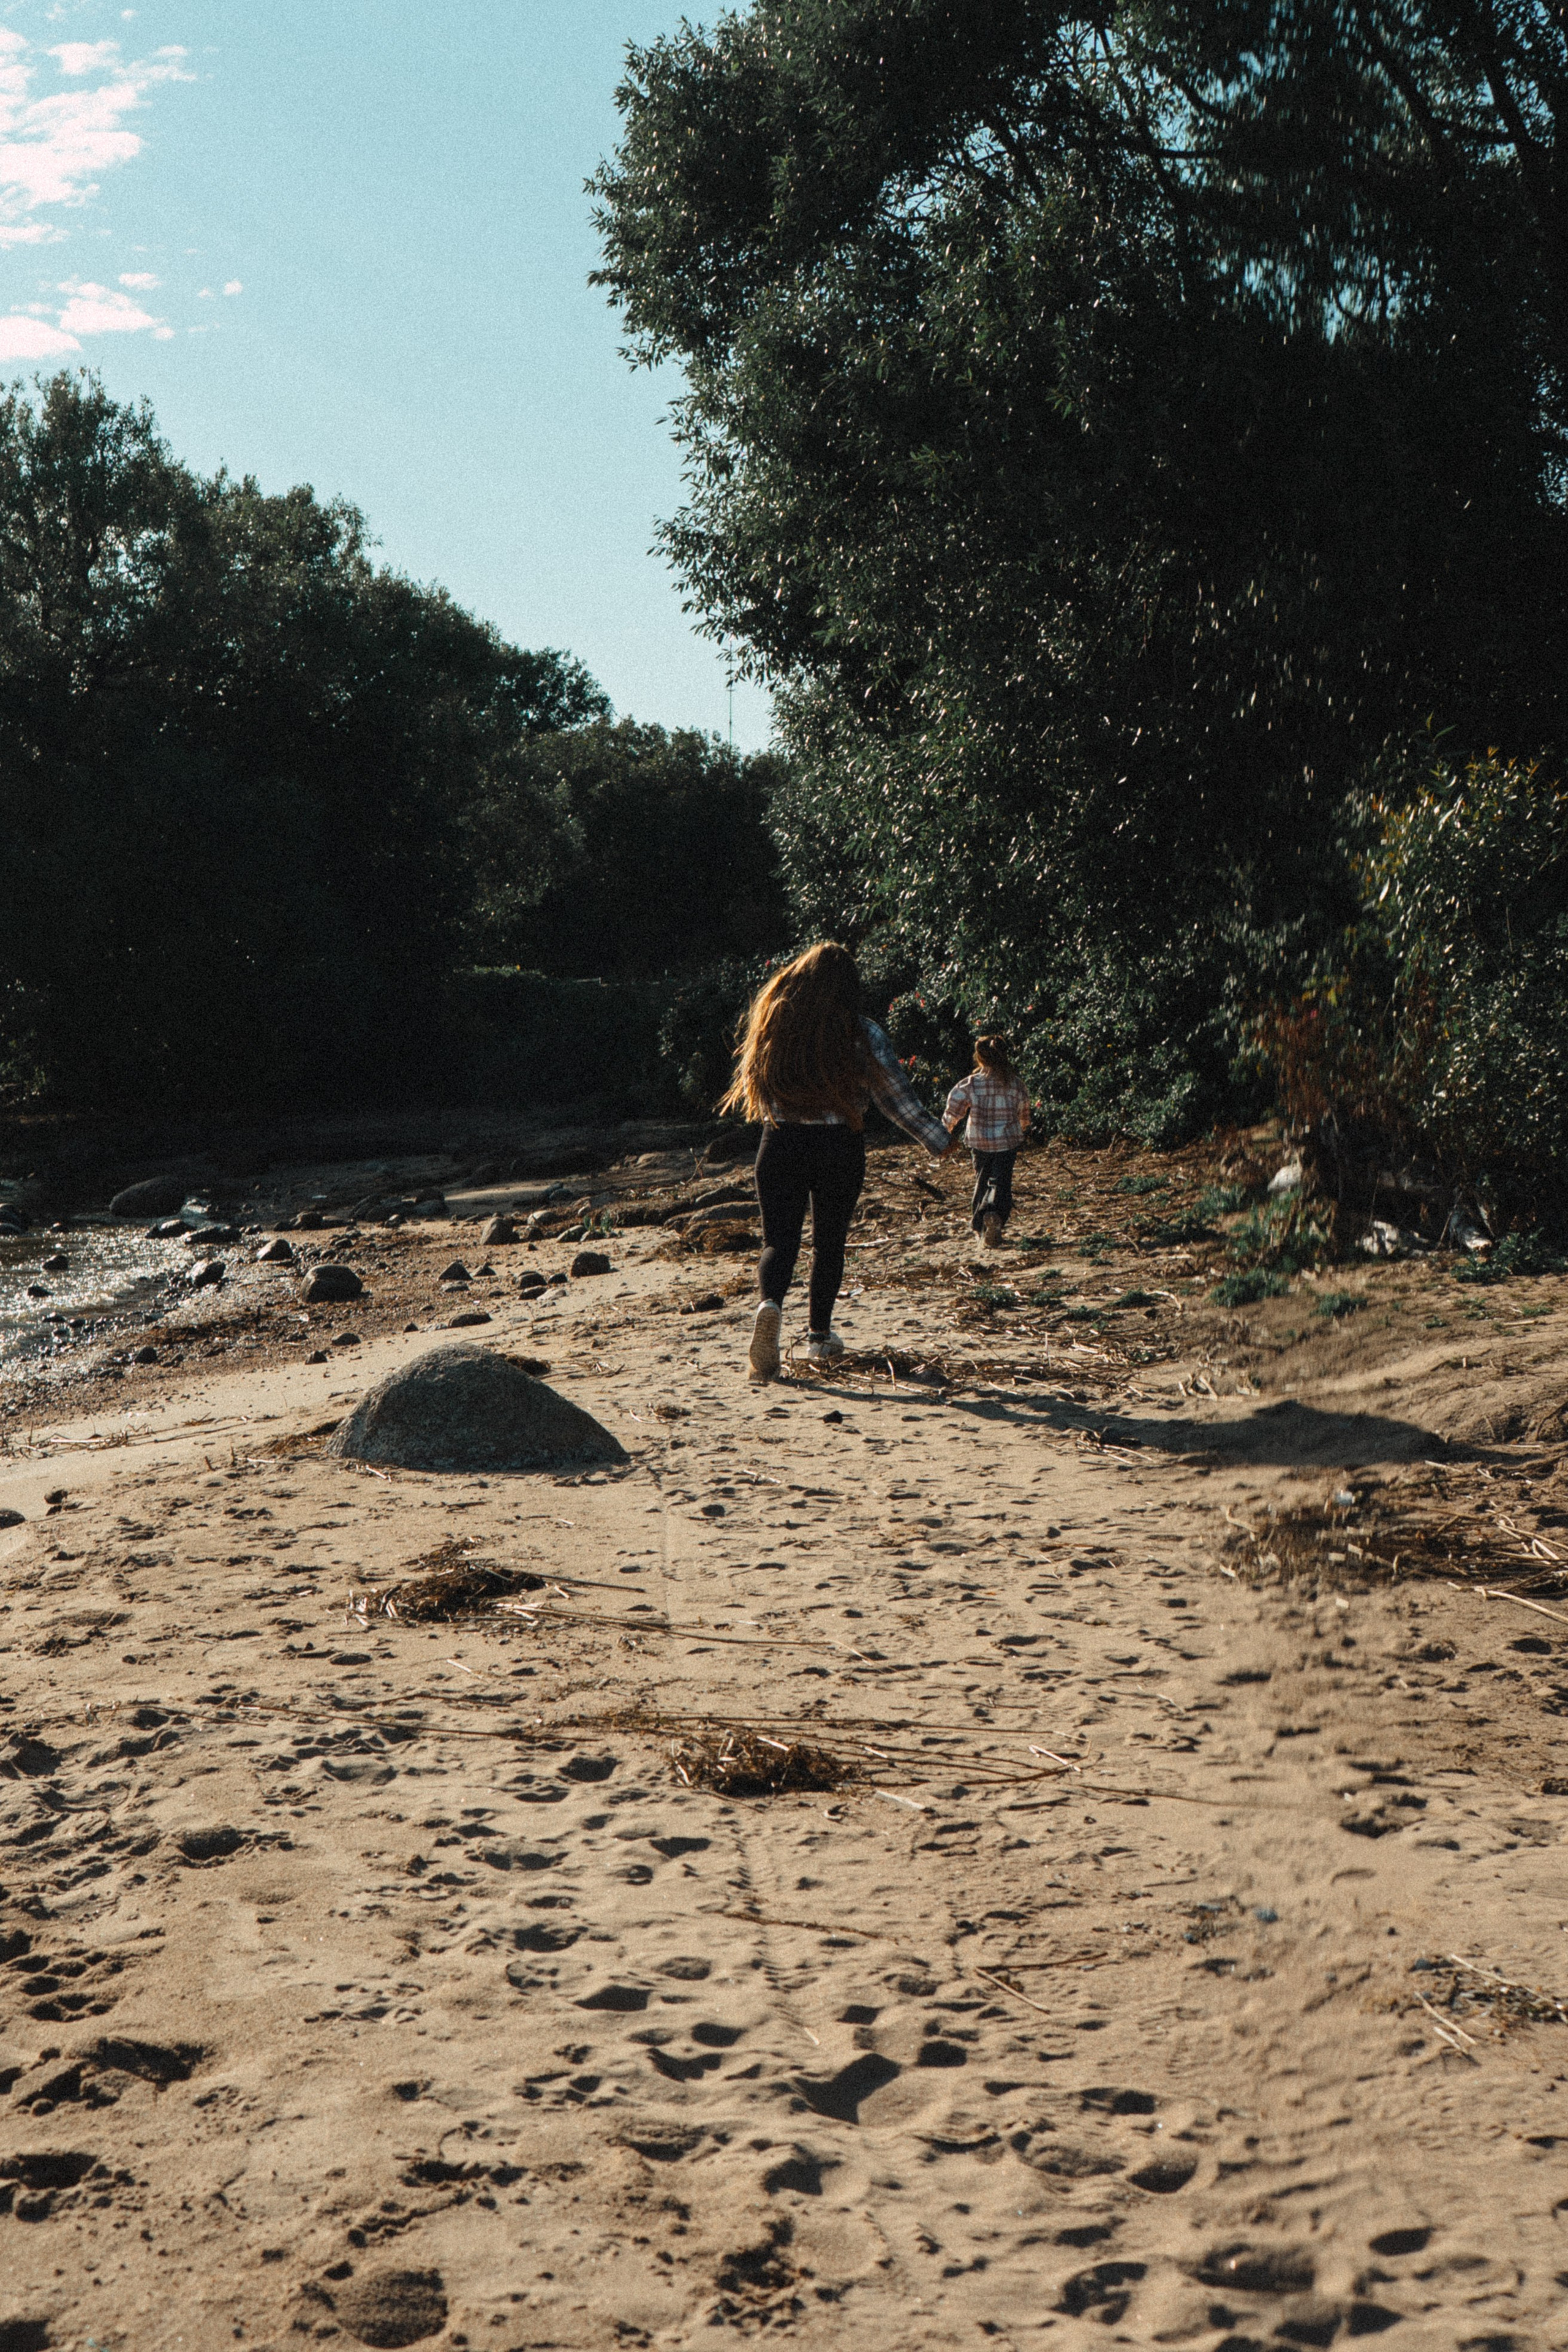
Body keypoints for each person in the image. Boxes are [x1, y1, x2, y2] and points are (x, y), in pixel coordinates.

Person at [720, 942, 955, 1382]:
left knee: (779, 1242)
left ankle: (769, 1305)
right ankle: (819, 1337)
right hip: (838, 1146)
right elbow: (895, 1100)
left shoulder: (774, 1025)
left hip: (780, 1142)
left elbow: (757, 1083)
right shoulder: (862, 1033)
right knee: (829, 1244)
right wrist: (938, 1140)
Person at [944, 1034, 1031, 1248]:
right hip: (1007, 1142)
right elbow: (1024, 1112)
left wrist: (946, 1130)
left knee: (982, 1180)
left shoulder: (971, 1084)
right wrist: (1022, 1127)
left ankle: (980, 1226)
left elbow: (953, 1109)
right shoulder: (1016, 1084)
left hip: (980, 1141)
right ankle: (995, 1216)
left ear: (980, 1058)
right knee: (1001, 1182)